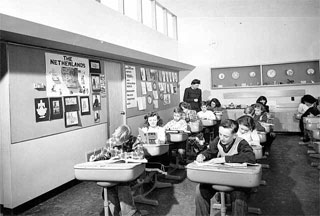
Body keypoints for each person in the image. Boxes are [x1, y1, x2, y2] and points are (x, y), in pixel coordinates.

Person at [195, 119, 256, 216]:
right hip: (220, 177)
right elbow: (210, 151)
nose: (222, 138)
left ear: (235, 135)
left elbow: (251, 157)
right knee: (200, 190)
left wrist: (224, 159)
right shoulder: (218, 140)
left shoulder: (241, 143)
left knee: (238, 195)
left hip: (237, 181)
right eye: (220, 134)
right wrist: (203, 155)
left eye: (226, 136)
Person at [90, 125, 143, 216]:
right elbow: (104, 155)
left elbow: (140, 155)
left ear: (127, 139)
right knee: (110, 187)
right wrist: (95, 158)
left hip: (128, 175)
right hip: (114, 174)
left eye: (121, 141)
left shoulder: (134, 141)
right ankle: (122, 212)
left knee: (122, 185)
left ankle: (128, 213)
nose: (117, 142)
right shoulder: (111, 141)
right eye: (116, 139)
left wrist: (122, 156)